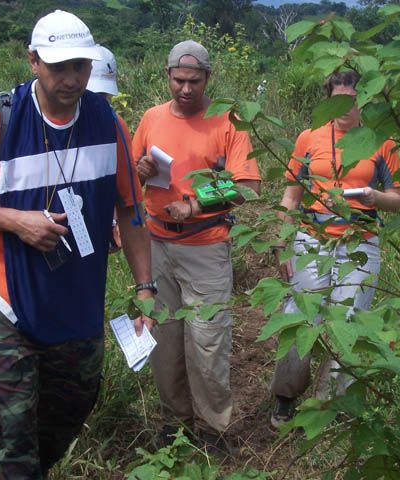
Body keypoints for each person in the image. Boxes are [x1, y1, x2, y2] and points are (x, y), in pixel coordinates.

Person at [0, 10, 154, 479]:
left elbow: (130, 210)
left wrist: (145, 288)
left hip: (79, 301)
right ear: (33, 61)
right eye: (59, 67)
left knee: (72, 409)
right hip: (10, 301)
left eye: (81, 66)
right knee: (16, 434)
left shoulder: (106, 123)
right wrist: (16, 221)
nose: (72, 79)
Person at [133, 40, 261, 452]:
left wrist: (195, 203)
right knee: (164, 339)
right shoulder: (151, 118)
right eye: (178, 80)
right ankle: (175, 424)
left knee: (207, 341)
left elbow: (248, 186)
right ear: (167, 76)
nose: (185, 89)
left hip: (206, 244)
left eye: (194, 81)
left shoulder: (228, 121)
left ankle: (214, 429)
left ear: (208, 78)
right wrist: (140, 170)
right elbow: (130, 177)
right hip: (156, 244)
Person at [269, 70, 400, 428]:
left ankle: (329, 407)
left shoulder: (381, 143)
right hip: (312, 238)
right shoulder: (308, 139)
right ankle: (286, 396)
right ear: (328, 99)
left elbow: (397, 199)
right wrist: (283, 242)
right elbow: (292, 195)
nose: (345, 106)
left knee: (349, 321)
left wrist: (377, 197)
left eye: (353, 98)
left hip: (360, 242)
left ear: (364, 99)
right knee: (302, 312)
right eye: (338, 99)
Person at [86, 44, 141, 250]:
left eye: (104, 96)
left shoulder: (113, 124)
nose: (97, 103)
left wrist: (115, 222)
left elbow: (124, 189)